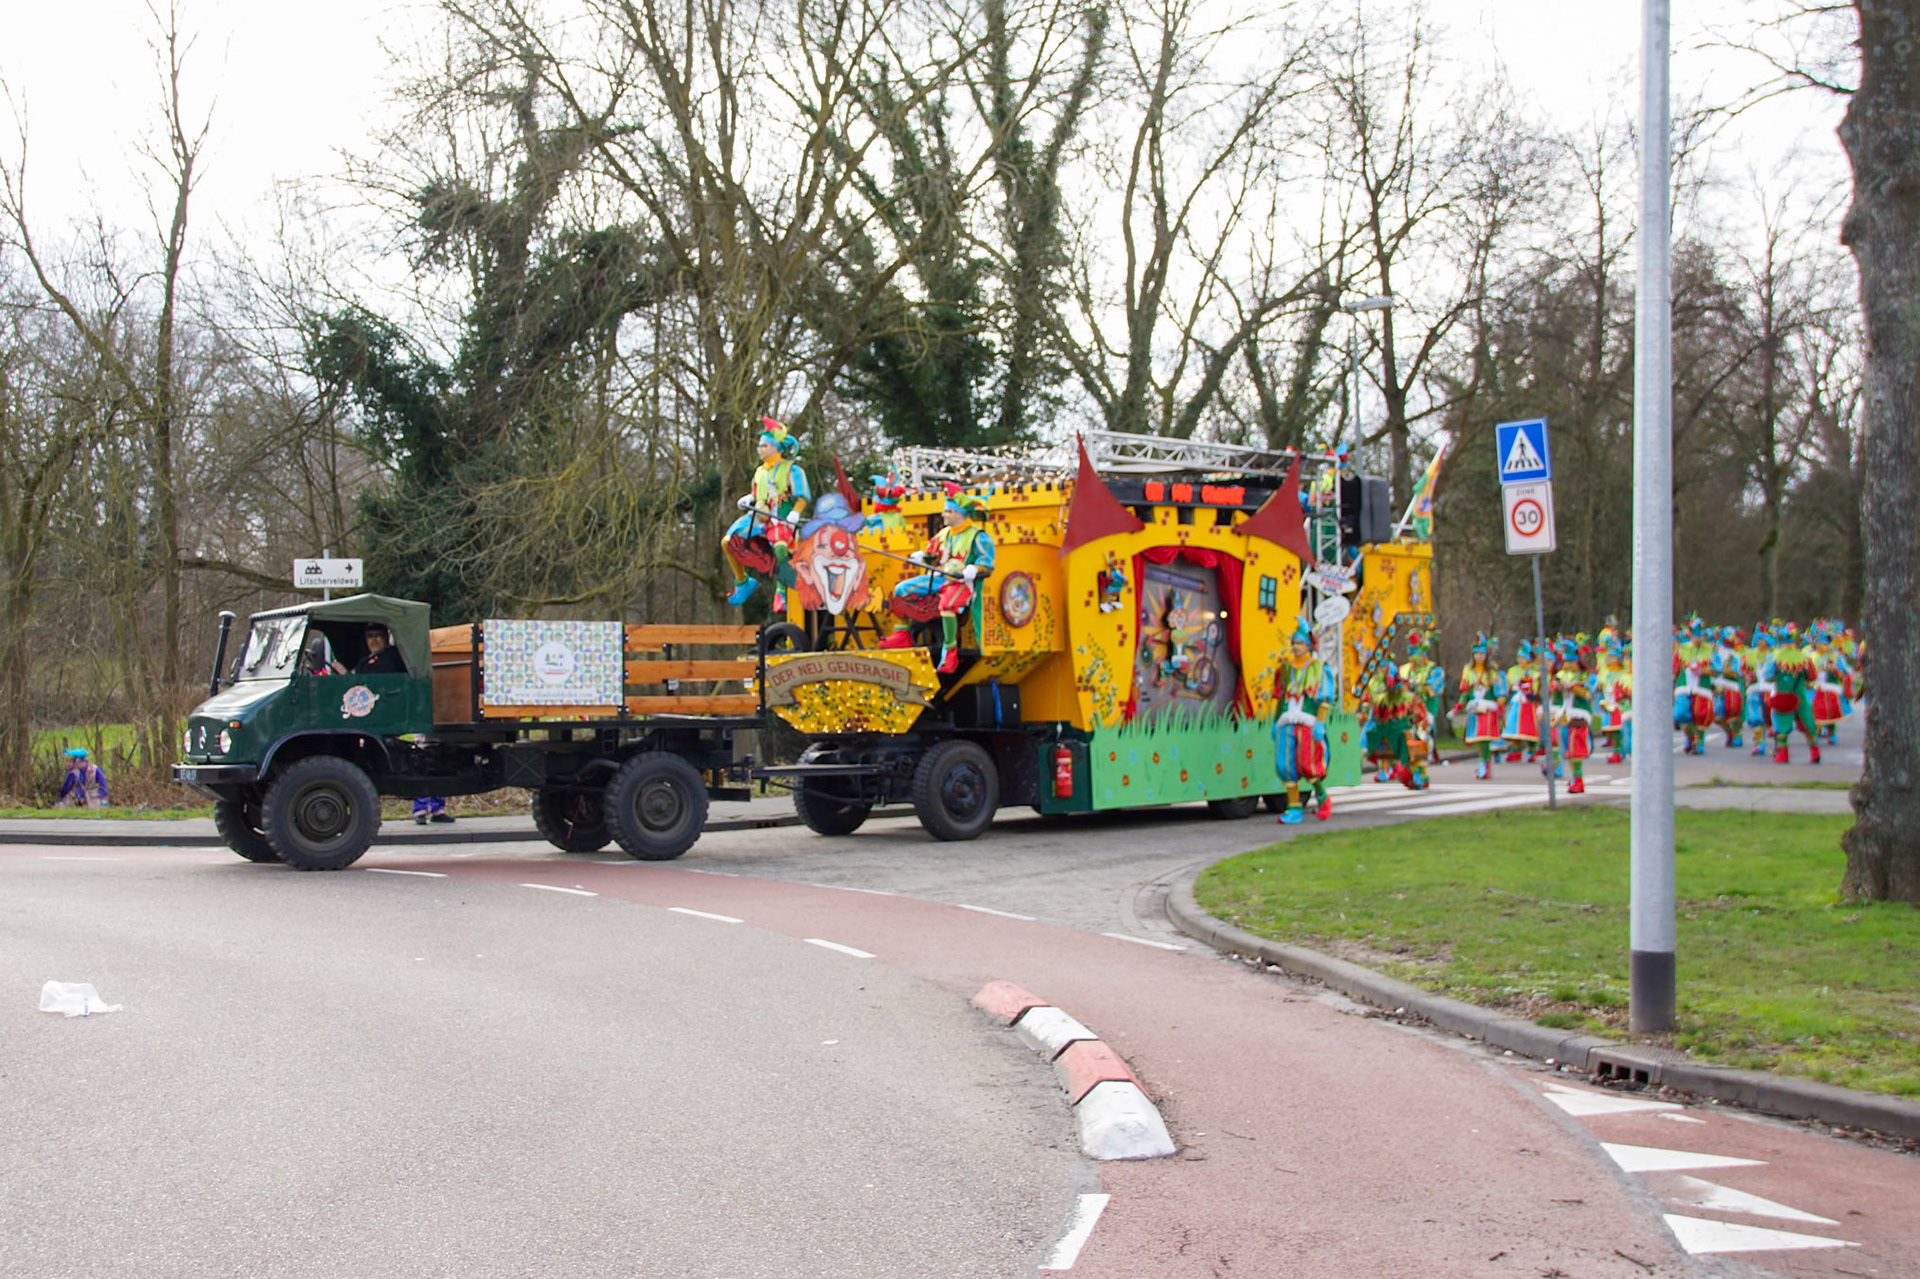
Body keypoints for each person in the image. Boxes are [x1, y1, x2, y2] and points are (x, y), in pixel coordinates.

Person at [879, 488, 995, 675]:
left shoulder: (978, 536)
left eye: (947, 511)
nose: (943, 514)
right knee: (901, 590)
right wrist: (921, 557)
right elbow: (931, 555)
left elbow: (987, 563)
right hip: (940, 578)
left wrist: (973, 569)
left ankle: (950, 652)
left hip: (962, 583)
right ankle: (902, 634)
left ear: (959, 513)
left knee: (947, 604)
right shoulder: (944, 534)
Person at [723, 417, 811, 607]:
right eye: (759, 445)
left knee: (780, 547)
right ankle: (742, 582)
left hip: (781, 518)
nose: (760, 449)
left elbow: (802, 497)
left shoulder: (793, 470)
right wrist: (750, 498)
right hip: (759, 517)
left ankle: (781, 591)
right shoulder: (760, 472)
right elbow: (757, 493)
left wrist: (795, 513)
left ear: (776, 447)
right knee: (728, 541)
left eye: (764, 445)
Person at [1273, 620, 1334, 823]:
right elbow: (1280, 697)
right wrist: (1275, 721)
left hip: (1307, 723)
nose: (1295, 646)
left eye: (1299, 642)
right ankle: (1294, 809)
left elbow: (1324, 699)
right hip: (1286, 722)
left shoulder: (1318, 668)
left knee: (1309, 765)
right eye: (1293, 642)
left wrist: (1320, 723)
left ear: (1308, 645)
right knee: (1284, 765)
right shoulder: (1285, 669)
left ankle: (1322, 796)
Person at [1452, 634, 1506, 779]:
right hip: (1474, 709)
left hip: (1487, 708)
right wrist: (1458, 707)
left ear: (1486, 655)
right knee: (1478, 738)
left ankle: (1485, 764)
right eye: (1476, 654)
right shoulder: (1468, 672)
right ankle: (1484, 762)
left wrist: (1500, 702)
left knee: (1484, 737)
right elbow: (1465, 692)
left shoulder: (1492, 672)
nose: (1479, 657)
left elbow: (1499, 693)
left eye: (1482, 654)